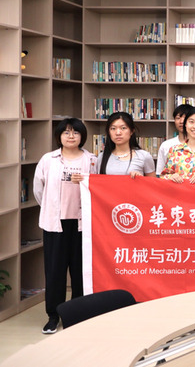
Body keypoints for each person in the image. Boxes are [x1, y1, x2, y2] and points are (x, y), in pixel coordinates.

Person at [33, 118, 97, 334]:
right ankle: (53, 316)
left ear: (82, 136)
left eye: (76, 132)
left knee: (80, 272)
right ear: (59, 136)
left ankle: (77, 314)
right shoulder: (48, 159)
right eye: (66, 132)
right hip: (55, 224)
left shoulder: (91, 160)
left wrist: (85, 181)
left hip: (82, 225)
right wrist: (51, 209)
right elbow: (39, 190)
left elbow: (98, 188)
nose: (71, 136)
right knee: (55, 272)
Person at [98, 111, 156, 177]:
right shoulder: (102, 157)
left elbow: (153, 182)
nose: (118, 133)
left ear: (131, 131)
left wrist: (140, 179)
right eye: (113, 128)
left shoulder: (144, 156)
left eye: (123, 128)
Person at [156, 103, 193, 176]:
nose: (181, 121)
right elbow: (160, 174)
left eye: (185, 118)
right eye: (178, 118)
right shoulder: (166, 145)